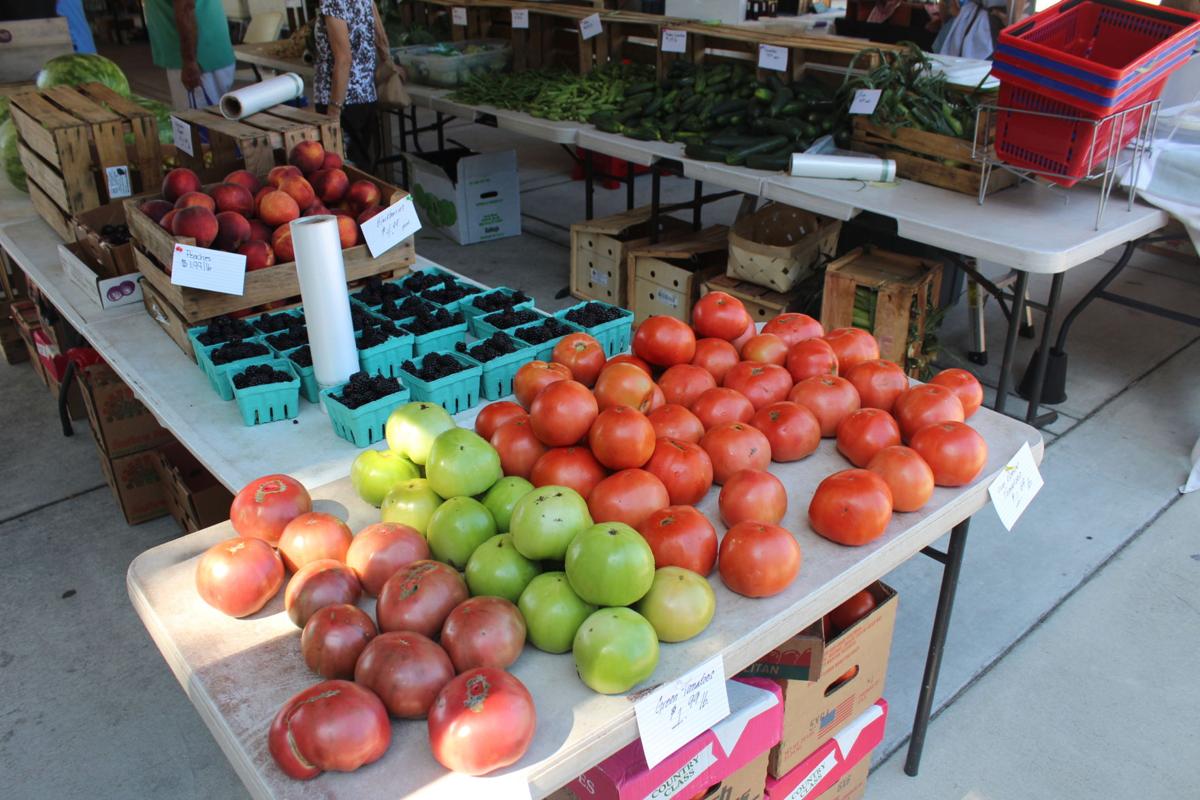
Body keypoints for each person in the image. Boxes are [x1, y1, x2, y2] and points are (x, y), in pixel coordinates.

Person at [314, 0, 393, 169]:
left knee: (343, 171)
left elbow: (343, 59)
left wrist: (334, 111)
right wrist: (389, 61)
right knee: (363, 166)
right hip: (365, 96)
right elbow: (381, 38)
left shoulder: (333, 2)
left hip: (342, 99)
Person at [144, 0, 237, 110]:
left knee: (199, 120)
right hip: (198, 55)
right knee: (209, 117)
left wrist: (190, 62)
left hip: (198, 59)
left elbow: (186, 8)